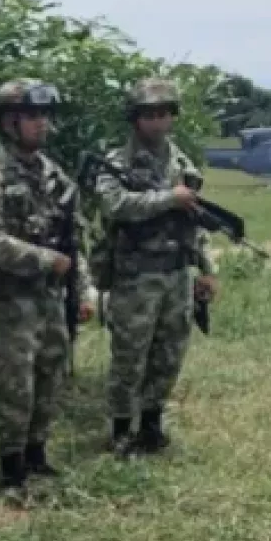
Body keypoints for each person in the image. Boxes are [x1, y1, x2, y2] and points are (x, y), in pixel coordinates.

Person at [0, 78, 96, 501]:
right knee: (15, 382)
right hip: (12, 300)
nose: (42, 124)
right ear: (9, 123)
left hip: (52, 298)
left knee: (51, 376)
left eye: (45, 116)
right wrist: (41, 259)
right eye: (32, 116)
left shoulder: (54, 174)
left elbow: (75, 239)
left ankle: (37, 452)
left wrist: (84, 289)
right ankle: (11, 466)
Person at [91, 77, 218, 458]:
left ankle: (151, 423)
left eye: (165, 113)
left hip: (176, 272)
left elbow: (195, 219)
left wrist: (207, 268)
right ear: (135, 118)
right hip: (135, 274)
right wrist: (168, 199)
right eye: (150, 114)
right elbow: (114, 205)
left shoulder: (181, 163)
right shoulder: (116, 162)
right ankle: (119, 429)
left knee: (169, 353)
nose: (159, 122)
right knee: (130, 355)